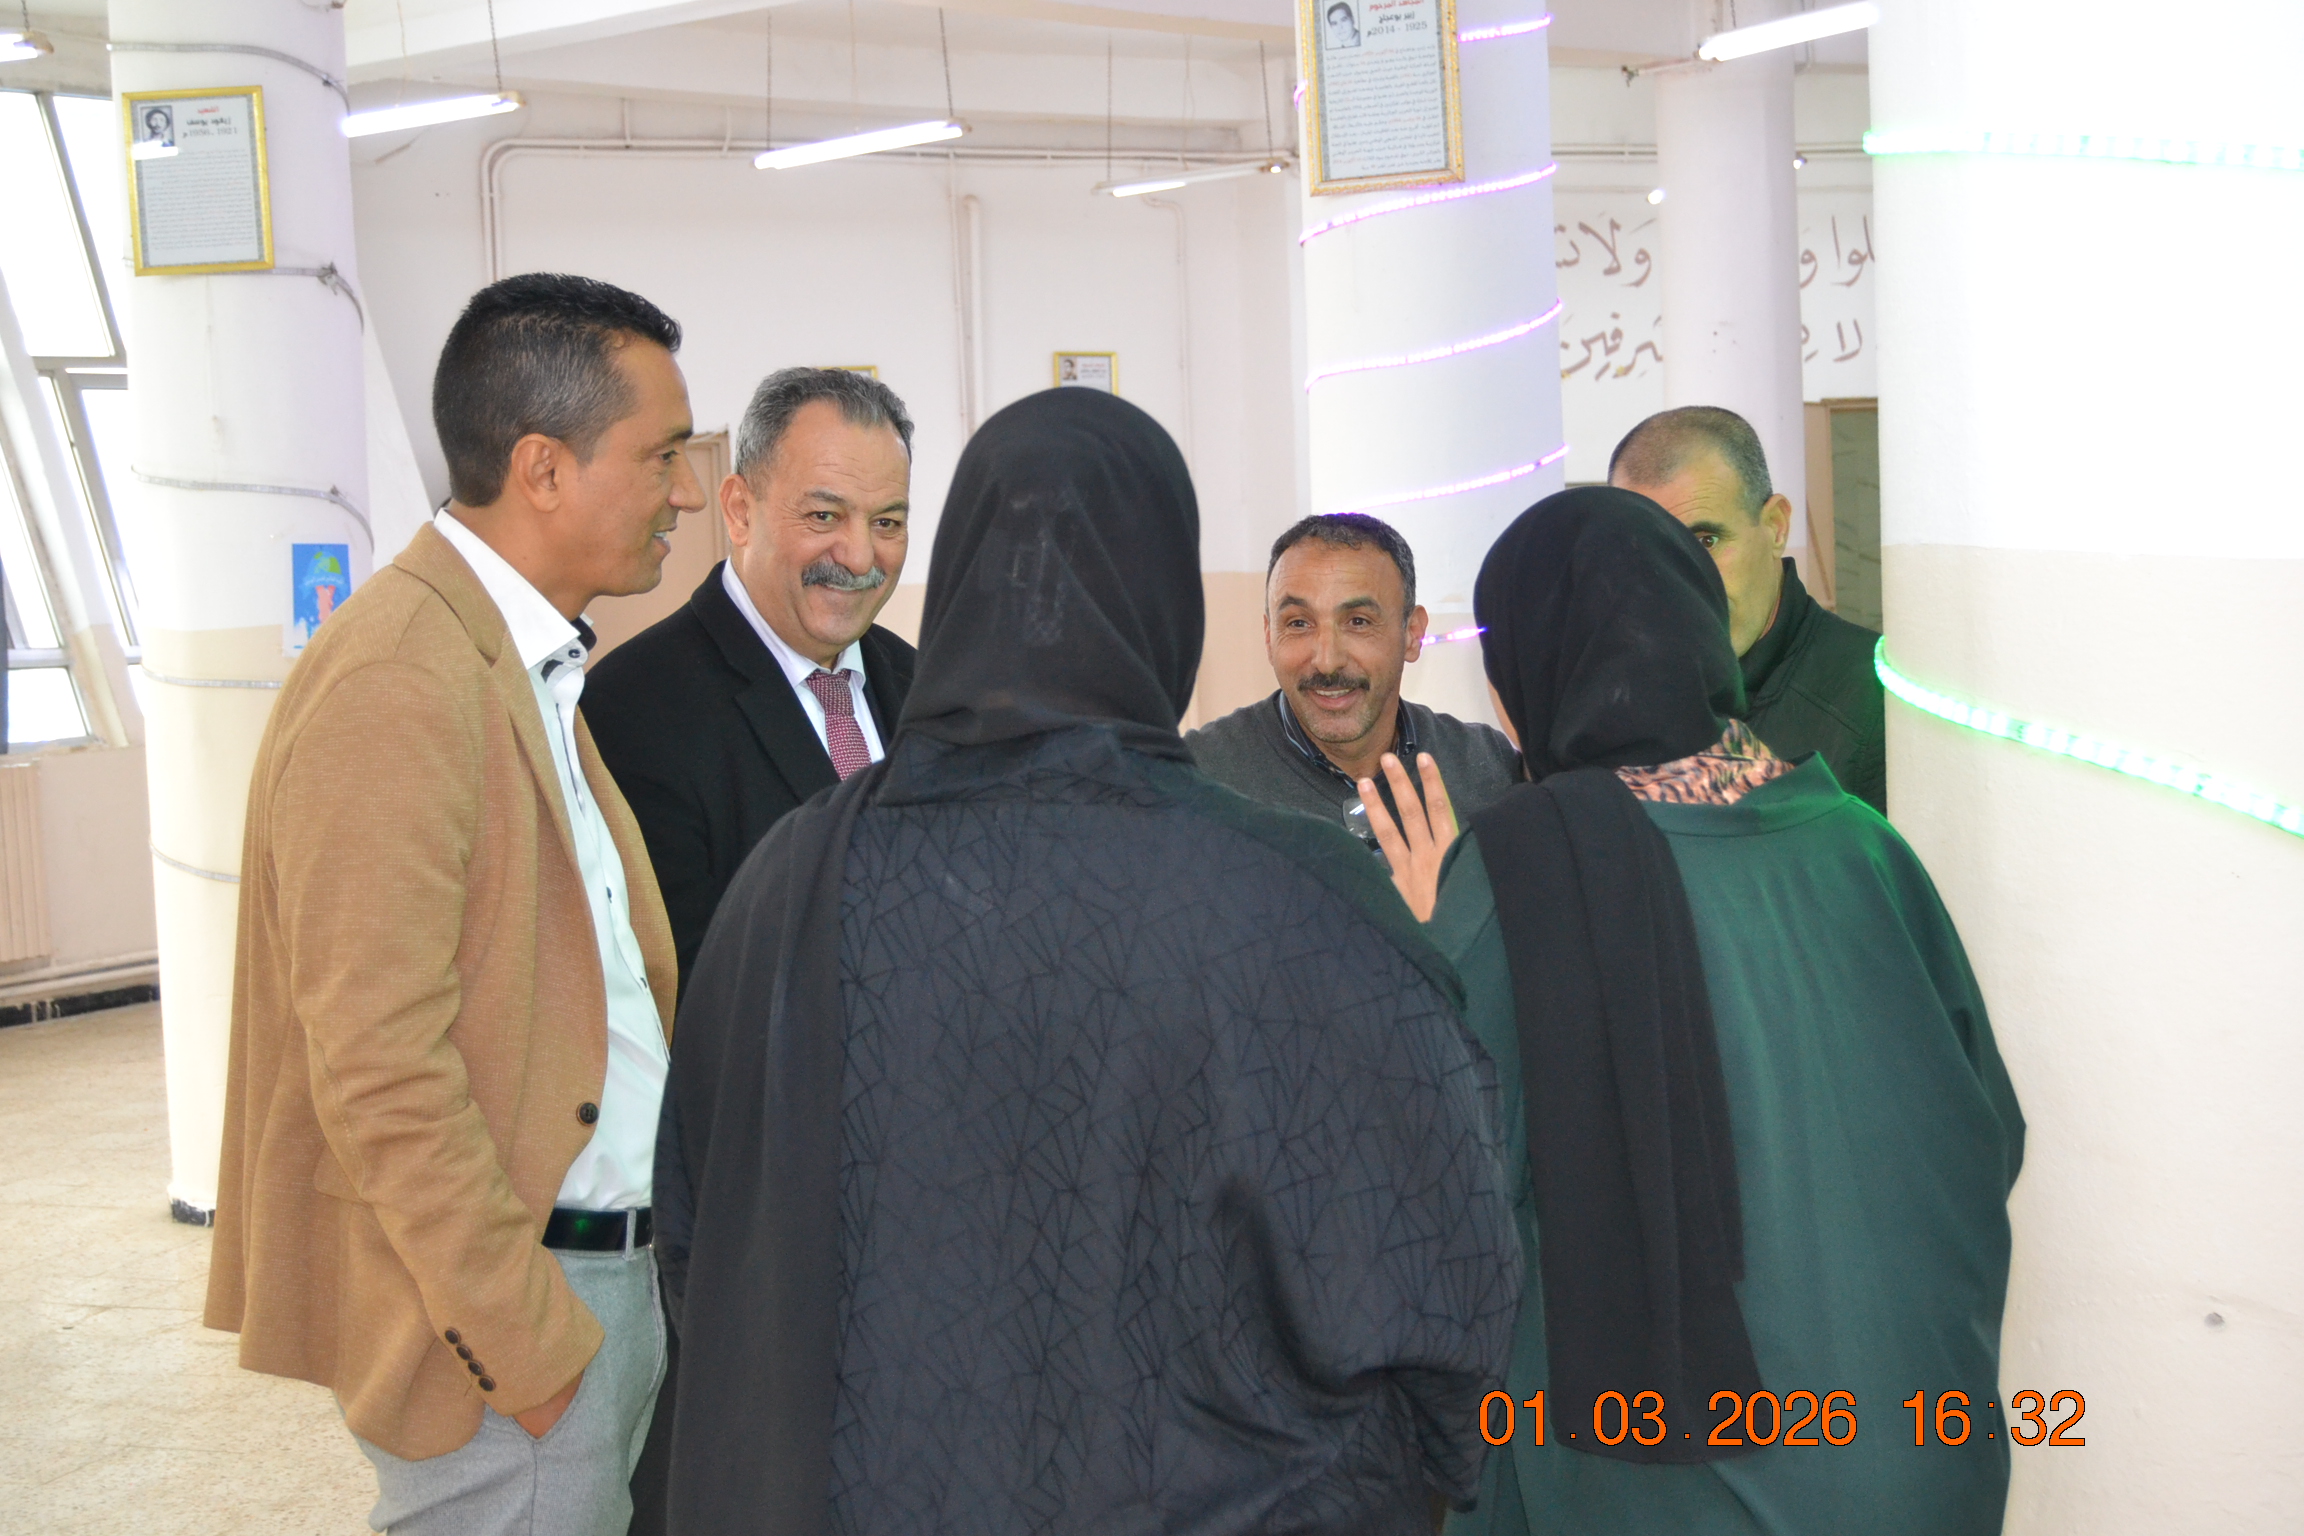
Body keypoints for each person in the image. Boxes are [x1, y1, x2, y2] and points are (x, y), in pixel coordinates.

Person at [653, 389, 1522, 1535]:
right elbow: (1437, 1278)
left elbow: (701, 1235)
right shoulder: (1301, 899)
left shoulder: (794, 877)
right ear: (1170, 600)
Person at [1368, 487, 2022, 1536]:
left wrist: (1425, 937)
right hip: (1928, 1460)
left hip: (1681, 1484)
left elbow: (1430, 1187)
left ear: (1530, 668)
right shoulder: (1865, 843)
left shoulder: (1526, 867)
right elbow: (1988, 1135)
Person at [205, 273, 701, 1536]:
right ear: (544, 468)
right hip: (517, 1319)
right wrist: (524, 1348)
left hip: (596, 1277)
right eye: (662, 456)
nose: (685, 493)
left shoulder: (513, 657)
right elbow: (378, 1067)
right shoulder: (401, 680)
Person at [585, 366, 917, 992]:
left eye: (887, 523)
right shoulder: (632, 710)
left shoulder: (924, 688)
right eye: (824, 515)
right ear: (740, 511)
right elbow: (682, 985)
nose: (859, 557)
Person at [1187, 512, 1520, 853]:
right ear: (1269, 636)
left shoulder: (1486, 767)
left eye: (1358, 622)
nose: (1327, 661)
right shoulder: (1199, 776)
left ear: (1412, 633)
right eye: (1299, 623)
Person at [1609, 406, 1887, 811]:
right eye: (1650, 549)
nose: (1682, 582)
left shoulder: (1876, 702)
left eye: (1706, 541)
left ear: (1776, 526)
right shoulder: (1609, 695)